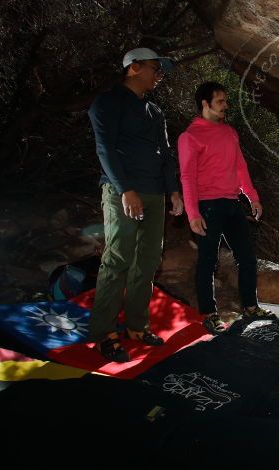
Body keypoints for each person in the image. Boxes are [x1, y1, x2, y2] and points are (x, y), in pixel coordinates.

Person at [87, 47, 184, 362]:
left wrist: (173, 192)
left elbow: (166, 154)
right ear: (133, 68)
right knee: (118, 259)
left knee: (148, 259)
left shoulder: (155, 112)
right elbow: (105, 148)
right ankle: (104, 332)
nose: (160, 74)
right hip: (123, 192)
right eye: (156, 68)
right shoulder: (108, 102)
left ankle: (136, 326)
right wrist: (124, 189)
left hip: (155, 193)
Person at [177, 81, 272, 334]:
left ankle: (250, 307)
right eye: (220, 101)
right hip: (207, 206)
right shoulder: (190, 137)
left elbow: (240, 167)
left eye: (226, 101)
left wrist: (252, 196)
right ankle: (209, 314)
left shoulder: (230, 132)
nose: (226, 106)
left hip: (232, 204)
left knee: (247, 259)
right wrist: (193, 213)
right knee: (208, 262)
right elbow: (187, 177)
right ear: (205, 104)